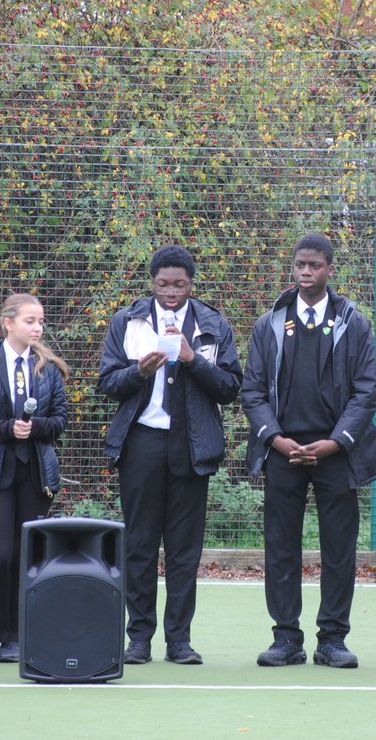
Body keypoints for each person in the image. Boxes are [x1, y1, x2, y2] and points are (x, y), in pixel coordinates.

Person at [242, 233, 376, 670]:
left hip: (336, 453)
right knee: (280, 548)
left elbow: (366, 391)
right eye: (300, 265)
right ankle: (286, 638)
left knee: (338, 549)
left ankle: (332, 640)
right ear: (294, 267)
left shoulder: (353, 322)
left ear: (329, 269)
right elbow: (252, 390)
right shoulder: (269, 323)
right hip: (283, 451)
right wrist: (275, 438)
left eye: (315, 266)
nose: (307, 272)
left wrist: (336, 441)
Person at [98, 245, 243, 666]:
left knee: (183, 550)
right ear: (152, 283)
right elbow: (107, 383)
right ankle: (139, 638)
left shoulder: (212, 324)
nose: (171, 292)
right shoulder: (128, 321)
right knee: (140, 544)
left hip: (192, 445)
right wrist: (139, 371)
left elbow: (231, 387)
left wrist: (192, 359)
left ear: (191, 284)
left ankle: (179, 640)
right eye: (163, 284)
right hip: (142, 442)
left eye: (180, 284)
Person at [0, 293, 69, 664]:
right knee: (2, 553)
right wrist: (7, 429)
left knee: (25, 556)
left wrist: (35, 427)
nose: (37, 327)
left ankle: (13, 638)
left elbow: (59, 420)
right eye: (29, 321)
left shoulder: (48, 368)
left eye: (40, 321)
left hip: (36, 472)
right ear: (9, 323)